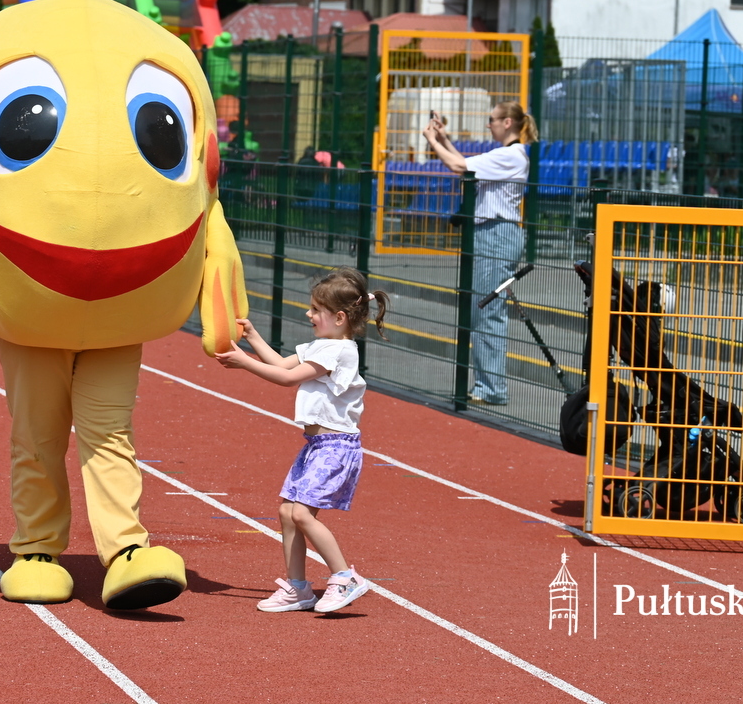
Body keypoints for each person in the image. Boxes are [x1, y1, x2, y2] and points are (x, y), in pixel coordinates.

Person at [215, 268, 389, 613]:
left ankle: (344, 576)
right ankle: (298, 588)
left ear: (339, 318)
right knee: (286, 511)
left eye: (314, 309)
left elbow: (286, 378)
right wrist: (252, 338)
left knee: (303, 514)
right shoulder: (321, 345)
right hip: (316, 447)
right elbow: (281, 363)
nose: (308, 314)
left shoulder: (338, 351)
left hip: (337, 448)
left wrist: (244, 363)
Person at [422, 102, 539, 405]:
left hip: (497, 234)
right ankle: (488, 385)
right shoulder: (504, 155)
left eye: (492, 120)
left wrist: (433, 142)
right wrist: (444, 139)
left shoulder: (510, 155)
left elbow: (460, 167)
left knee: (487, 311)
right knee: (482, 309)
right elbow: (465, 162)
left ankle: (492, 388)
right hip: (491, 233)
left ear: (508, 122)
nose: (489, 125)